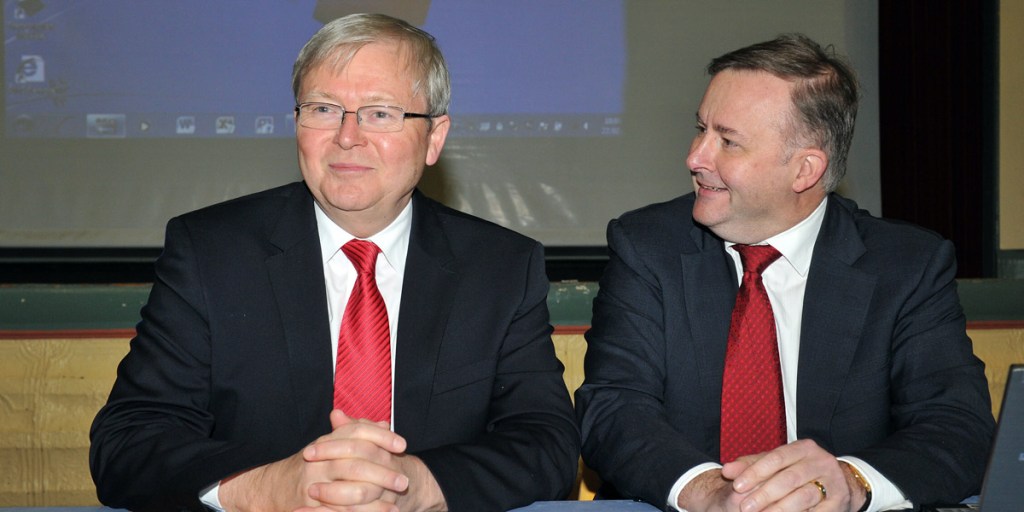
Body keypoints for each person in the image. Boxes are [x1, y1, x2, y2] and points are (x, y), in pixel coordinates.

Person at [90, 13, 579, 512]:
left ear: (434, 137)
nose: (348, 136)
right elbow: (129, 442)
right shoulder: (211, 252)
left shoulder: (500, 267)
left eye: (380, 113)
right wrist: (266, 489)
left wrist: (415, 485)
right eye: (324, 109)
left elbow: (547, 445)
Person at [575, 34, 994, 512]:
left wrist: (849, 482)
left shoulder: (906, 265)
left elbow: (957, 424)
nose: (695, 157)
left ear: (804, 170)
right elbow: (614, 409)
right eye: (701, 129)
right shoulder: (649, 246)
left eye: (727, 141)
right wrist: (711, 495)